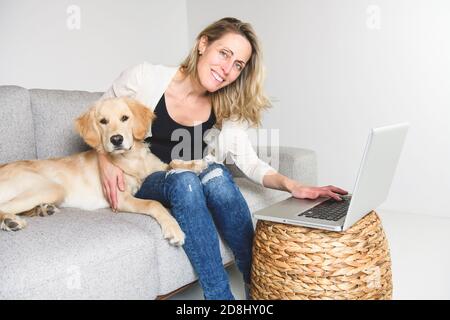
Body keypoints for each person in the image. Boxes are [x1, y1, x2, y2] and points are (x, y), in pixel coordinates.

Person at [98, 17, 347, 300]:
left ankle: (259, 284)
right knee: (185, 180)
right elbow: (99, 116)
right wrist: (104, 161)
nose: (227, 69)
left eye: (238, 64)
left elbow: (250, 163)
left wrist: (293, 185)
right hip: (148, 179)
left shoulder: (224, 106)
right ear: (203, 44)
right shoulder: (144, 77)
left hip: (193, 176)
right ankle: (219, 298)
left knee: (215, 176)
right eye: (224, 53)